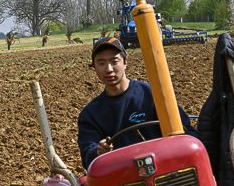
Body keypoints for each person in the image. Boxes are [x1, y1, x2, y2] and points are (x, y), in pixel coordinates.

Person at [77, 37, 197, 170]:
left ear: (125, 62)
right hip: (123, 177)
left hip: (165, 169)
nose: (108, 69)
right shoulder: (91, 114)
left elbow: (186, 132)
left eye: (114, 61)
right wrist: (98, 151)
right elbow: (88, 155)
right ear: (94, 66)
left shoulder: (154, 95)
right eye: (101, 63)